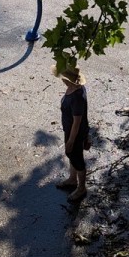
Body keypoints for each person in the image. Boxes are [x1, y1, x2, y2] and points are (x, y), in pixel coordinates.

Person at [55, 66, 89, 201]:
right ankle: (72, 179)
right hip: (69, 129)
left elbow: (77, 122)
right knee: (71, 155)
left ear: (70, 80)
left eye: (64, 78)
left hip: (75, 133)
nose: (62, 80)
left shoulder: (77, 97)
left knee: (77, 158)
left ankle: (81, 188)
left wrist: (71, 140)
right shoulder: (72, 88)